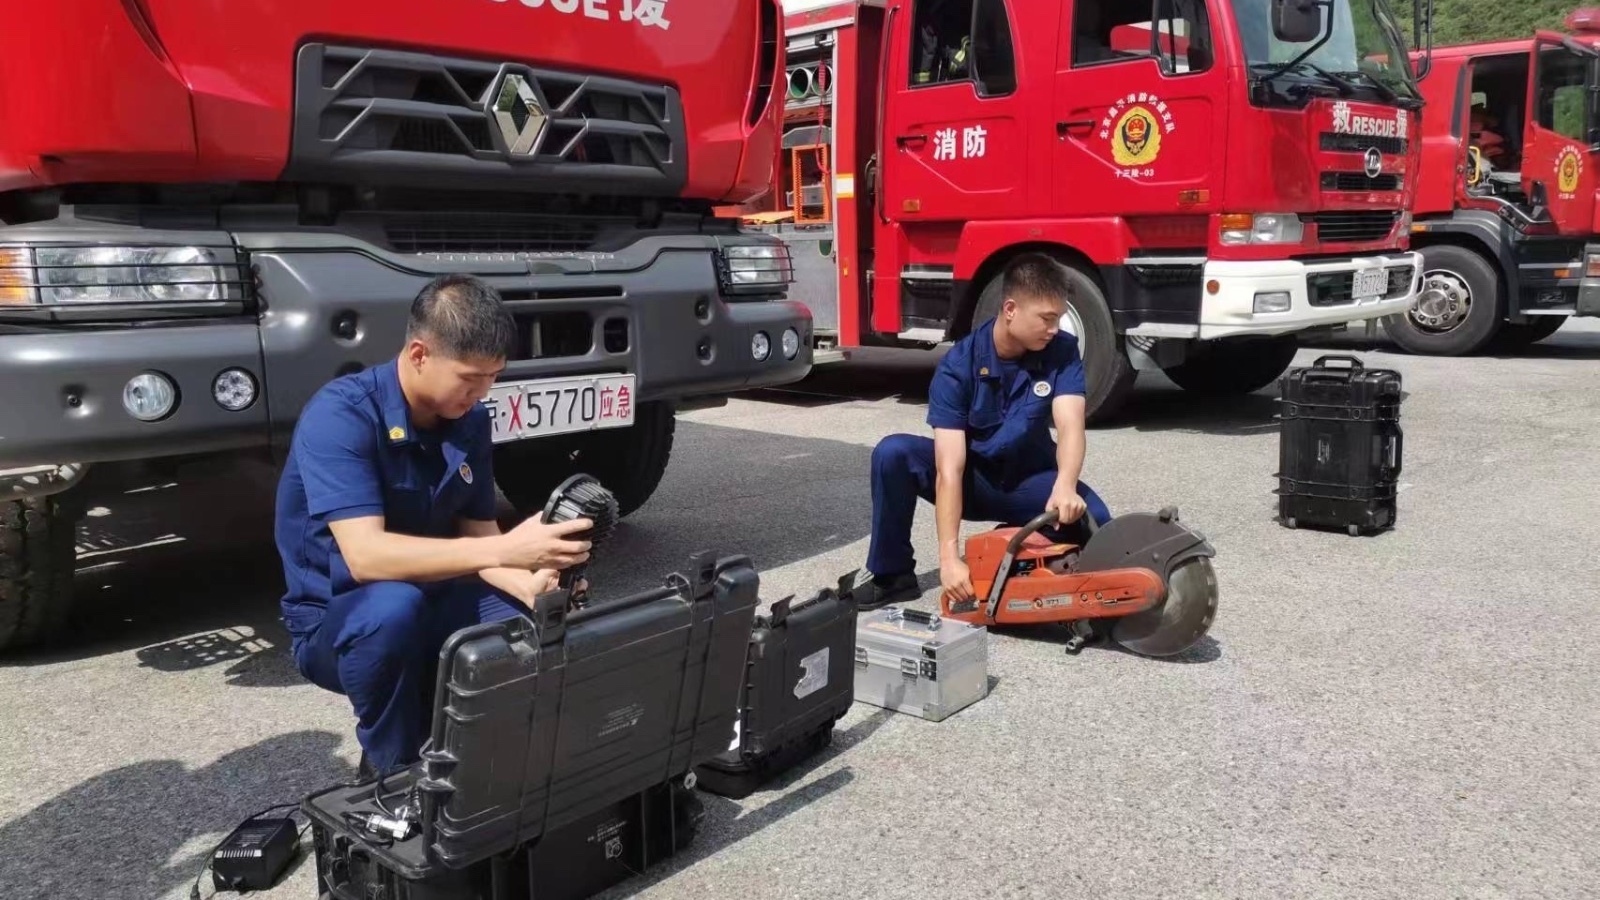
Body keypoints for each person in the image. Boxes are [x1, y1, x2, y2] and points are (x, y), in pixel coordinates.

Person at [274, 274, 595, 777]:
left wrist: (533, 583)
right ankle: (391, 772)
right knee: (393, 607)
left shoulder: (470, 421)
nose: (484, 391)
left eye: (494, 376)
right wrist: (507, 551)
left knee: (527, 612)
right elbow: (367, 558)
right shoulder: (341, 416)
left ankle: (481, 754)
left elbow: (479, 536)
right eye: (471, 377)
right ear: (420, 353)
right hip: (339, 620)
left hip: (430, 596)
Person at [851, 253, 1111, 610]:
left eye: (1059, 319)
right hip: (974, 482)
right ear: (1010, 309)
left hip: (1030, 480)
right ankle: (892, 575)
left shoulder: (1062, 351)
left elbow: (1070, 425)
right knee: (893, 453)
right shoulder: (959, 366)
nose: (1054, 329)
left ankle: (1010, 541)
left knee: (1096, 519)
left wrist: (1065, 485)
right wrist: (949, 559)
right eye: (1047, 319)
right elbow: (949, 469)